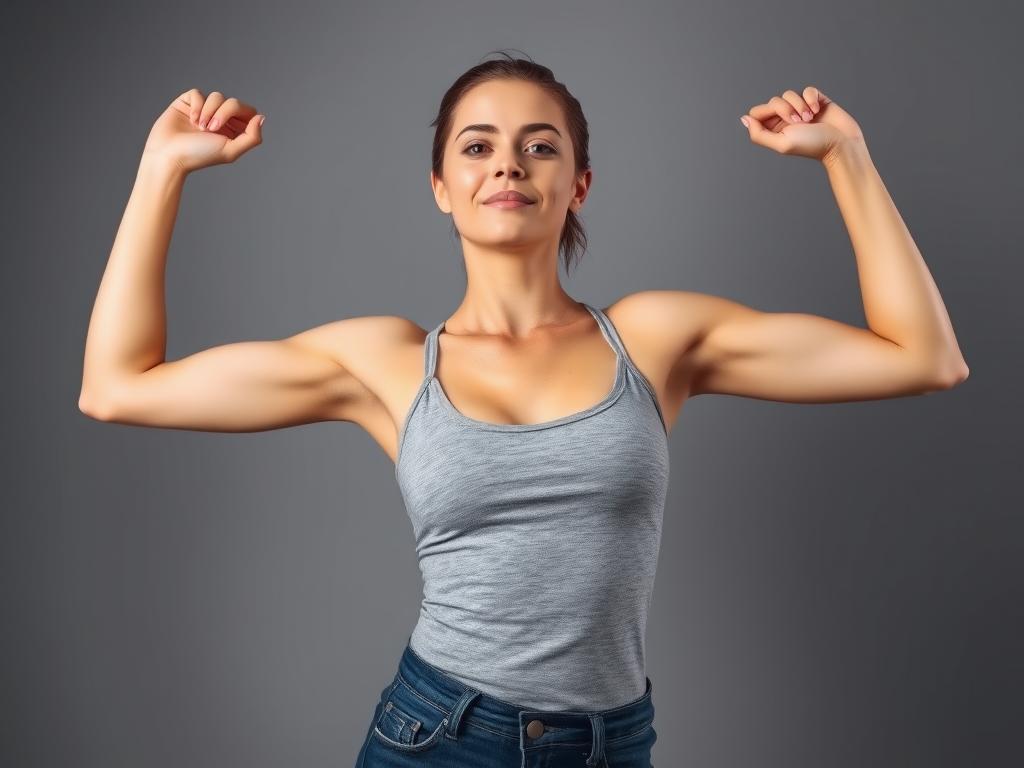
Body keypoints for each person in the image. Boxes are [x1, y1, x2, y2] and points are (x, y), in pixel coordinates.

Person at [78, 50, 969, 768]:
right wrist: (164, 170)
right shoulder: (386, 362)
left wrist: (845, 156)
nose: (508, 161)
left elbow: (923, 357)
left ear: (578, 184)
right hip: (438, 738)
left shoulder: (655, 341)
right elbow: (117, 386)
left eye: (541, 145)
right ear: (441, 185)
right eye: (477, 145)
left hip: (609, 745)